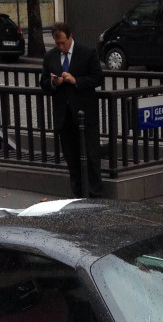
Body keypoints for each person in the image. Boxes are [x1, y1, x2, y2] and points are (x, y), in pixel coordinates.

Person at [40, 22, 104, 198]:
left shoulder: (87, 53)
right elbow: (43, 82)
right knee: (72, 158)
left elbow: (98, 78)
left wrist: (76, 81)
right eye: (57, 43)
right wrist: (53, 82)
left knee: (90, 156)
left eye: (63, 43)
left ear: (70, 37)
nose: (60, 47)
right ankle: (77, 194)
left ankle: (95, 194)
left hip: (85, 114)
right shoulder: (50, 57)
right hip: (64, 115)